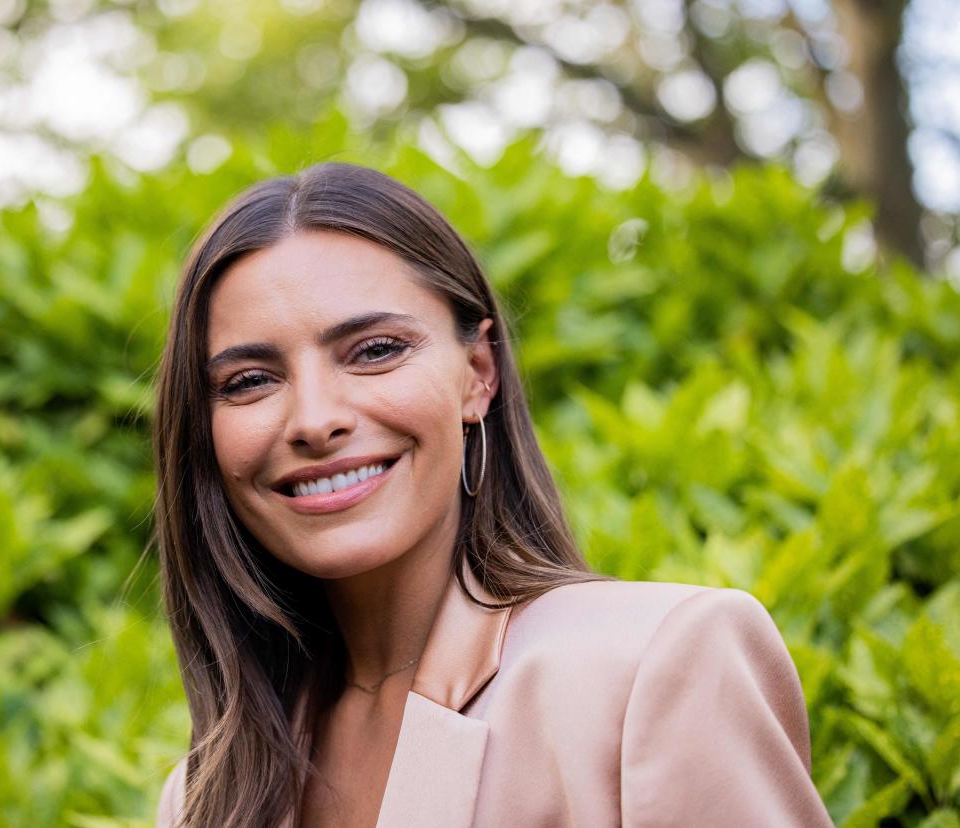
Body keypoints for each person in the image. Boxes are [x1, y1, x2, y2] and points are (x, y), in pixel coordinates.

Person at [152, 162, 833, 828]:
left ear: (478, 374)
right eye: (248, 381)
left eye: (375, 350)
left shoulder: (657, 665)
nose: (313, 419)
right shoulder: (204, 795)